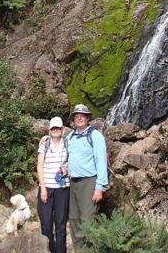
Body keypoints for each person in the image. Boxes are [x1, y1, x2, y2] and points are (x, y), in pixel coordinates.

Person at [67, 104, 108, 250]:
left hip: (89, 182)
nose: (79, 118)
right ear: (73, 119)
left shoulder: (96, 136)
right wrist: (46, 138)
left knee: (88, 219)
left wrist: (99, 187)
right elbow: (58, 145)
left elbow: (101, 161)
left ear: (87, 118)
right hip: (72, 183)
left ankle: (90, 249)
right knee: (74, 218)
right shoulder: (70, 137)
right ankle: (78, 250)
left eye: (82, 116)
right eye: (76, 116)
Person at [37, 116, 70, 253]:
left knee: (61, 225)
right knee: (46, 225)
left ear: (62, 129)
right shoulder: (44, 144)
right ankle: (49, 250)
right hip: (46, 188)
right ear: (50, 130)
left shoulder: (68, 143)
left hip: (62, 189)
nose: (56, 130)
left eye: (58, 128)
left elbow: (73, 161)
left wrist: (67, 168)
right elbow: (39, 166)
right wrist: (43, 189)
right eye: (53, 128)